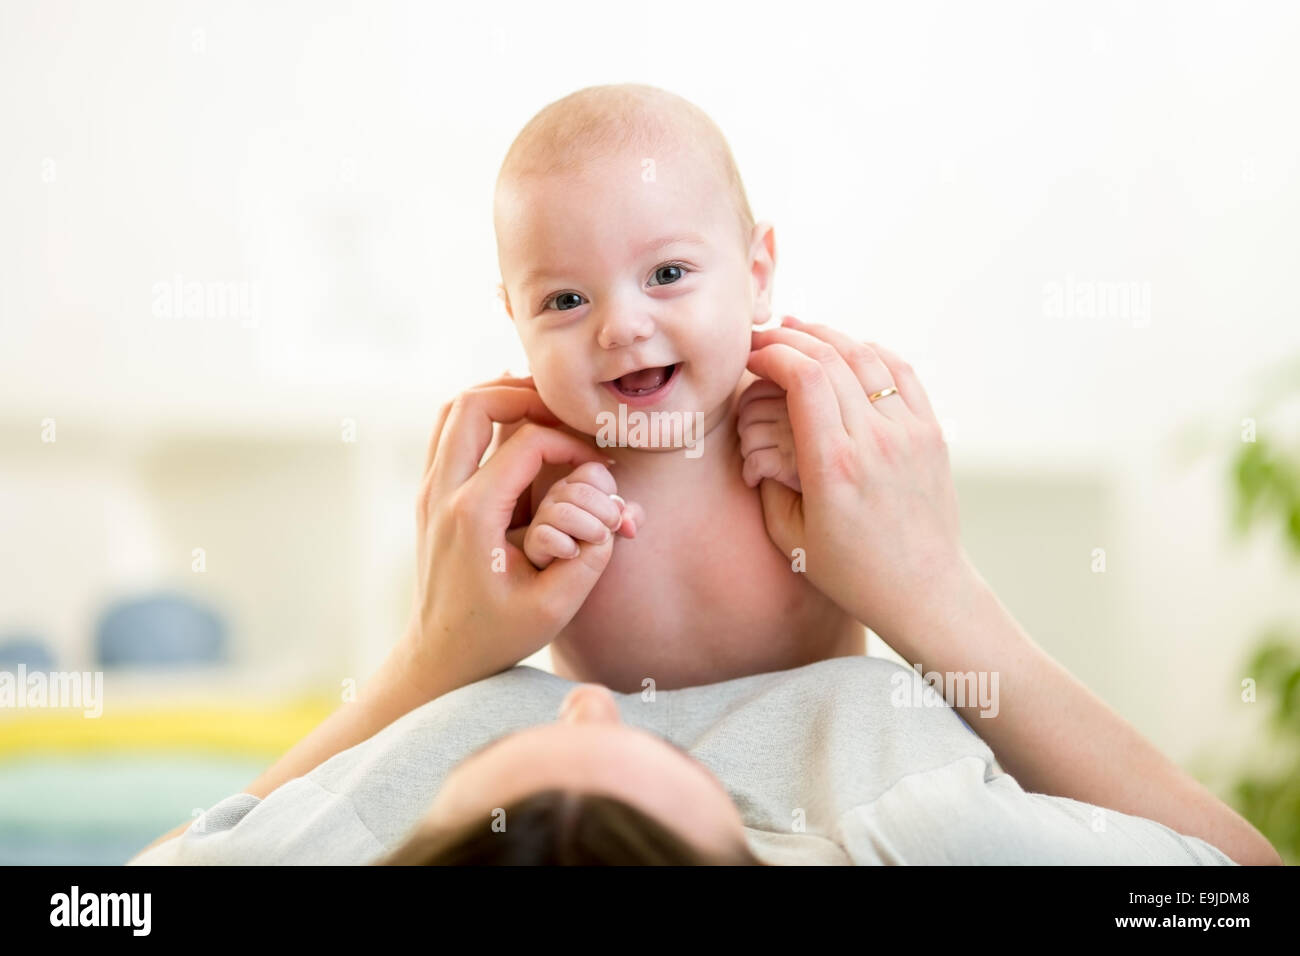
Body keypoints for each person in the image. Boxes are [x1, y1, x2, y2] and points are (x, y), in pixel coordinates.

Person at [129, 320, 1283, 865]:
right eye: (685, 765)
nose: (589, 701)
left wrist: (431, 661)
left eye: (472, 775)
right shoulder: (922, 836)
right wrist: (934, 596)